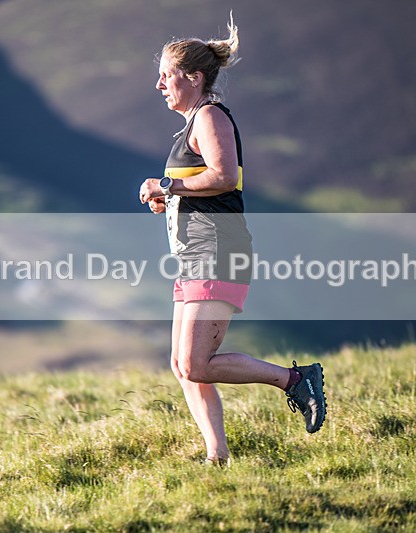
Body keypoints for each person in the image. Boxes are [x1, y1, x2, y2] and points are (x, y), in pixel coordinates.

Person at [138, 14, 326, 465]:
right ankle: (217, 458)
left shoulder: (210, 116)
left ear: (195, 77)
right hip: (196, 255)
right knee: (183, 366)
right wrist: (169, 198)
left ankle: (295, 380)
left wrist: (170, 188)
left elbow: (223, 176)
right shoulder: (190, 125)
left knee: (197, 363)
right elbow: (203, 183)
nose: (160, 84)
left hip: (218, 253)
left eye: (167, 75)